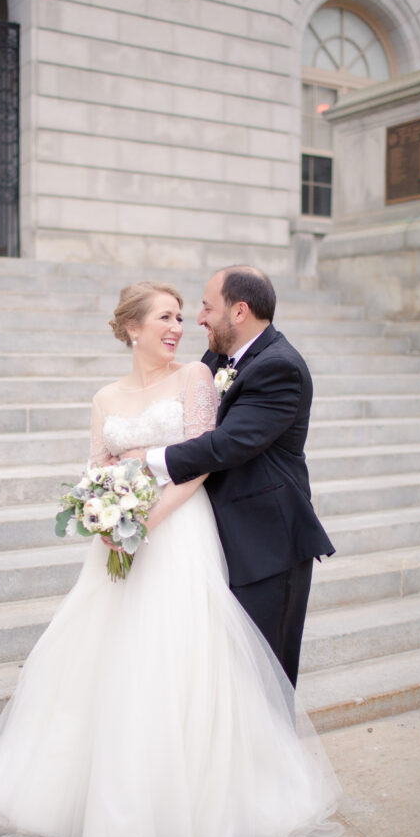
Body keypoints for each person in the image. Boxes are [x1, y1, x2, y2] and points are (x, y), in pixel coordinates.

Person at [0, 281, 342, 837]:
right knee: (107, 664)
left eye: (190, 313)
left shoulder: (205, 377)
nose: (184, 324)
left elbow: (208, 454)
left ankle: (151, 818)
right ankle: (90, 800)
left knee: (174, 664)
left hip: (181, 535)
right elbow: (97, 463)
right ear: (132, 328)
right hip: (120, 545)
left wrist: (144, 515)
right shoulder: (113, 393)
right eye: (168, 316)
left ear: (235, 309)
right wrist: (103, 513)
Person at [143, 267, 335, 688]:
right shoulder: (217, 356)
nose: (199, 319)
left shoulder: (280, 367)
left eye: (207, 307)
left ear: (240, 311)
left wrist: (146, 460)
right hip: (218, 540)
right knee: (226, 684)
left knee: (265, 681)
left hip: (267, 546)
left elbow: (225, 446)